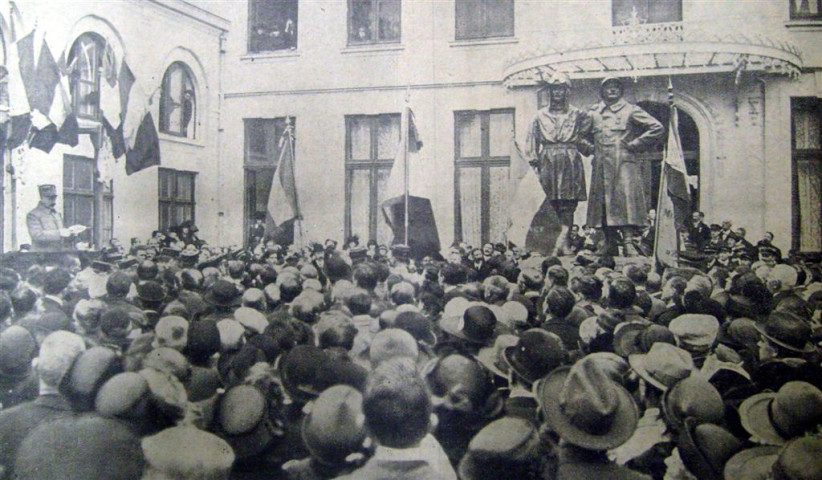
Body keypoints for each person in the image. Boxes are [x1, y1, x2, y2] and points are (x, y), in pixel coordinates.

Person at [581, 77, 664, 256]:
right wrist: (591, 149)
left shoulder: (631, 110)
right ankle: (608, 242)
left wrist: (635, 144)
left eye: (615, 87)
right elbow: (578, 136)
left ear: (621, 90)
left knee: (626, 202)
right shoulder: (594, 113)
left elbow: (656, 127)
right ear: (602, 91)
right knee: (603, 204)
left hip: (624, 164)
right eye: (608, 87)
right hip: (602, 166)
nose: (612, 90)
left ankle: (628, 242)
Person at [526, 72, 591, 256]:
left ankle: (565, 242)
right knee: (549, 203)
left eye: (561, 90)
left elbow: (587, 137)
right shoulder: (539, 116)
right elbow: (531, 143)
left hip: (570, 159)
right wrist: (534, 166)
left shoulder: (579, 114)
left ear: (567, 92)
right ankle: (551, 243)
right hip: (547, 160)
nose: (557, 94)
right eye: (554, 90)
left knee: (568, 204)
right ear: (549, 92)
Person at [26, 184, 84, 252]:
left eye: (54, 198)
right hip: (41, 257)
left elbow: (62, 237)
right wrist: (59, 233)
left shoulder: (56, 214)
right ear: (42, 198)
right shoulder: (33, 215)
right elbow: (37, 235)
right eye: (49, 198)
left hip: (57, 255)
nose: (53, 201)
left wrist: (72, 234)